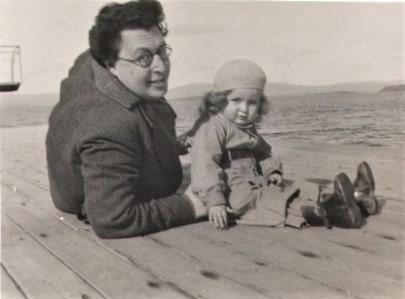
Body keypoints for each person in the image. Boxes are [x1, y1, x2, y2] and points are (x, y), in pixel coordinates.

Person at [46, 0, 207, 239]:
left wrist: (173, 144)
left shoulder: (98, 59)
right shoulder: (110, 125)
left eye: (162, 50)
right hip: (99, 196)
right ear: (110, 64)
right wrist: (190, 205)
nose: (161, 66)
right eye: (143, 58)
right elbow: (112, 219)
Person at [188, 59, 381, 230]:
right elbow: (205, 165)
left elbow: (264, 153)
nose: (244, 109)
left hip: (256, 182)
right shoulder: (212, 127)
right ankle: (336, 212)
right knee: (273, 202)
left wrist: (272, 171)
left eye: (252, 103)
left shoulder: (248, 129)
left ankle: (358, 199)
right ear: (219, 101)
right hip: (234, 190)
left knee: (297, 189)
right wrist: (215, 201)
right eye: (236, 100)